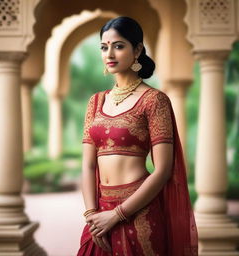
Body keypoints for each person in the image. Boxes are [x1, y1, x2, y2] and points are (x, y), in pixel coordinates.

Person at [77, 16, 198, 256]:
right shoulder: (95, 102)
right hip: (99, 214)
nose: (109, 53)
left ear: (138, 50)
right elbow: (88, 165)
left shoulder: (154, 101)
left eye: (119, 46)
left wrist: (117, 215)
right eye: (104, 47)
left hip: (138, 210)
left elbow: (163, 170)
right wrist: (92, 216)